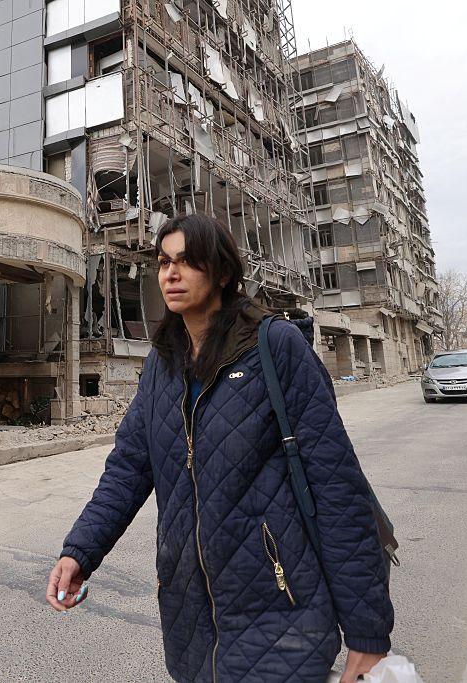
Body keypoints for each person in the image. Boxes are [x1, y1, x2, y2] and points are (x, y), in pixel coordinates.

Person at [46, 213, 394, 682]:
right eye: (164, 262)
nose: (170, 273)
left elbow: (336, 488)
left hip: (280, 608)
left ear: (223, 273)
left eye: (187, 262)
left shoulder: (277, 349)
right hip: (189, 618)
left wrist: (367, 634)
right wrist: (80, 552)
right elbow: (129, 468)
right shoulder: (163, 365)